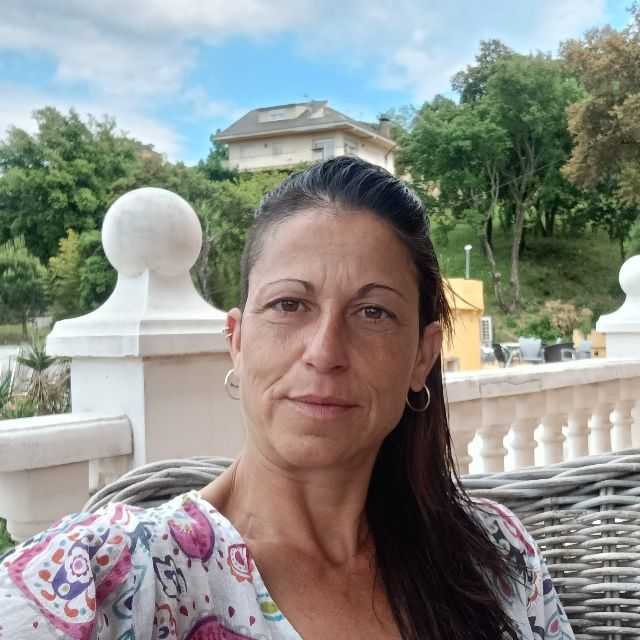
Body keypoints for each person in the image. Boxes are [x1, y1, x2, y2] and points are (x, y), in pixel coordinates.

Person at [0, 157, 573, 639]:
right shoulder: (111, 579)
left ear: (422, 357)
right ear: (237, 340)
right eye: (289, 305)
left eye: (373, 312)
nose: (325, 352)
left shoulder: (494, 558)